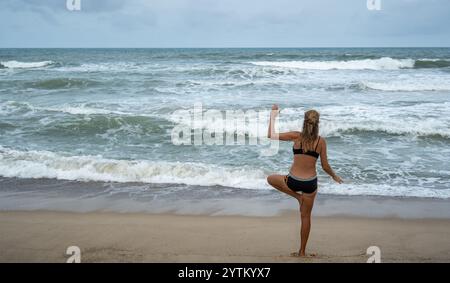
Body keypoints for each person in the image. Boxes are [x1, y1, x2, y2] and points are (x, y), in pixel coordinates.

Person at [267, 104, 343, 257]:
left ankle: (297, 197)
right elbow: (325, 166)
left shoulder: (297, 136)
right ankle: (302, 252)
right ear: (317, 124)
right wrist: (334, 176)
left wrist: (273, 115)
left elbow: (271, 135)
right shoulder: (321, 142)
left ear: (304, 122)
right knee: (306, 217)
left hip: (293, 181)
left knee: (270, 178)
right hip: (310, 184)